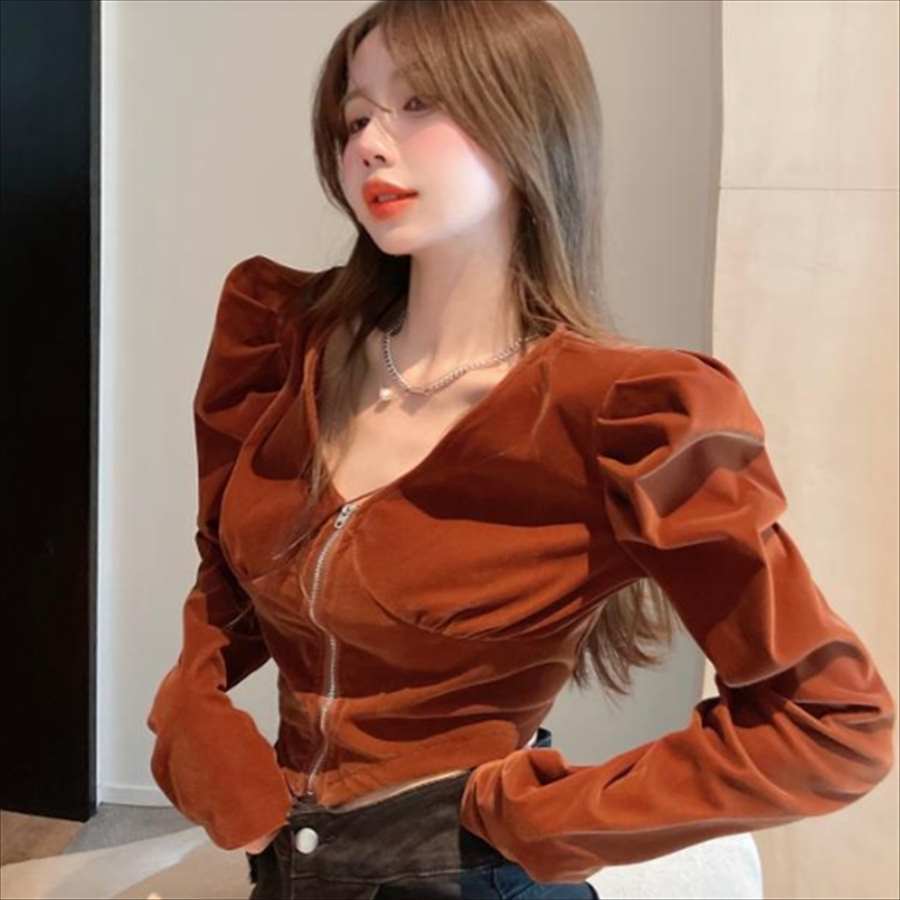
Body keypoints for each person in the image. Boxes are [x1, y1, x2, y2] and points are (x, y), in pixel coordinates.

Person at [146, 2, 895, 898]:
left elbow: (830, 721)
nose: (372, 145)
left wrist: (544, 819)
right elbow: (227, 565)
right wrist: (191, 696)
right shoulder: (282, 342)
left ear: (526, 119)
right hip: (284, 872)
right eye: (356, 117)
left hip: (468, 878)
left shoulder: (623, 416)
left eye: (418, 104)